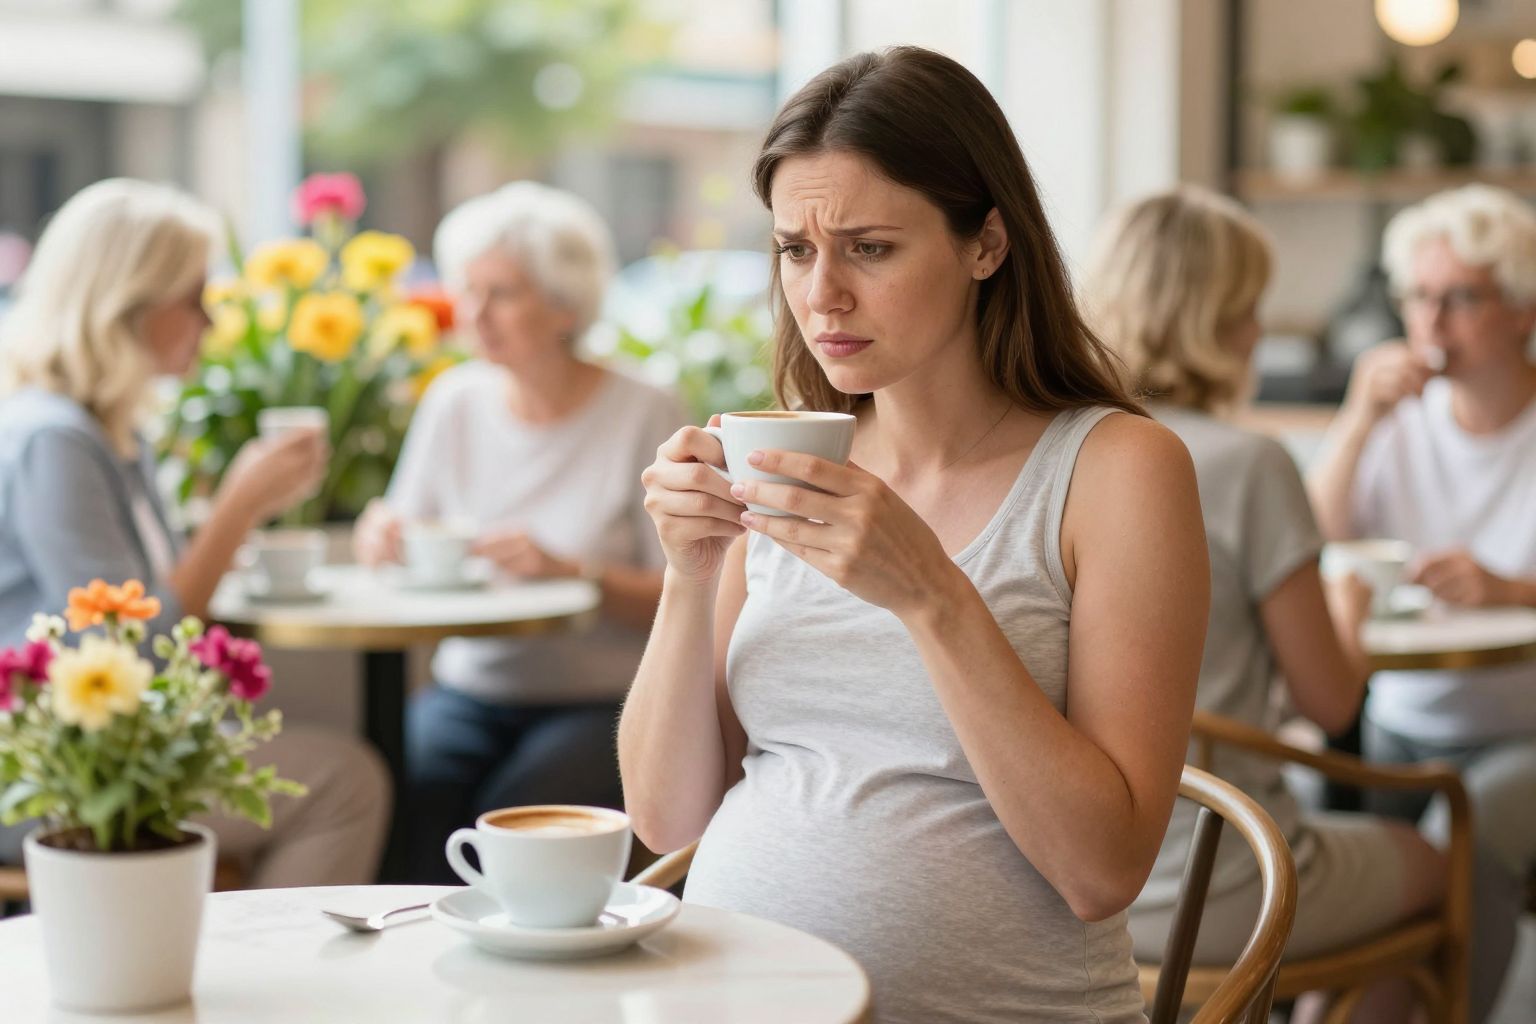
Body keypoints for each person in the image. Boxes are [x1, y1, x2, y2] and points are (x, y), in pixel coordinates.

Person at [618, 47, 1211, 1023]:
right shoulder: (788, 458)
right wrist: (691, 572)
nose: (822, 295)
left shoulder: (1117, 471)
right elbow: (667, 816)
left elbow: (1102, 870)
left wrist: (931, 594)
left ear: (987, 244)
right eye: (795, 250)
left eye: (870, 248)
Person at [1083, 185, 1516, 1021]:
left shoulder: (1064, 447)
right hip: (1219, 866)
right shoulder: (1249, 463)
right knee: (1448, 863)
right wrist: (1347, 604)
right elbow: (1331, 702)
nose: (1259, 332)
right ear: (1217, 320)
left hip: (1080, 874)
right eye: (1250, 309)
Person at [0, 178, 389, 887]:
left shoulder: (109, 433)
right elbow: (135, 642)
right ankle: (263, 962)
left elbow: (155, 604)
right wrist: (238, 505)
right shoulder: (55, 442)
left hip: (105, 751)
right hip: (51, 774)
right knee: (345, 782)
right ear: (127, 305)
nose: (209, 323)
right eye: (194, 299)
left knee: (329, 769)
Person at [352, 182, 686, 883]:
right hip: (470, 689)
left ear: (565, 306)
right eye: (467, 290)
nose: (473, 314)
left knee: (513, 816)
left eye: (501, 293)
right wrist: (378, 535)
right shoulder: (454, 401)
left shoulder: (645, 409)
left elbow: (685, 592)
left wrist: (574, 574)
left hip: (603, 699)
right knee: (405, 793)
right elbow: (397, 533)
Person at [1309, 185, 1536, 921]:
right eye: (1418, 296)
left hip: (1520, 728)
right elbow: (1313, 541)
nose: (1432, 321)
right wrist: (1357, 418)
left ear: (1524, 311)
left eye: (1461, 298)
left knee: (1460, 859)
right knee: (1371, 890)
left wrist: (1514, 590)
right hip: (1399, 720)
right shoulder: (1398, 418)